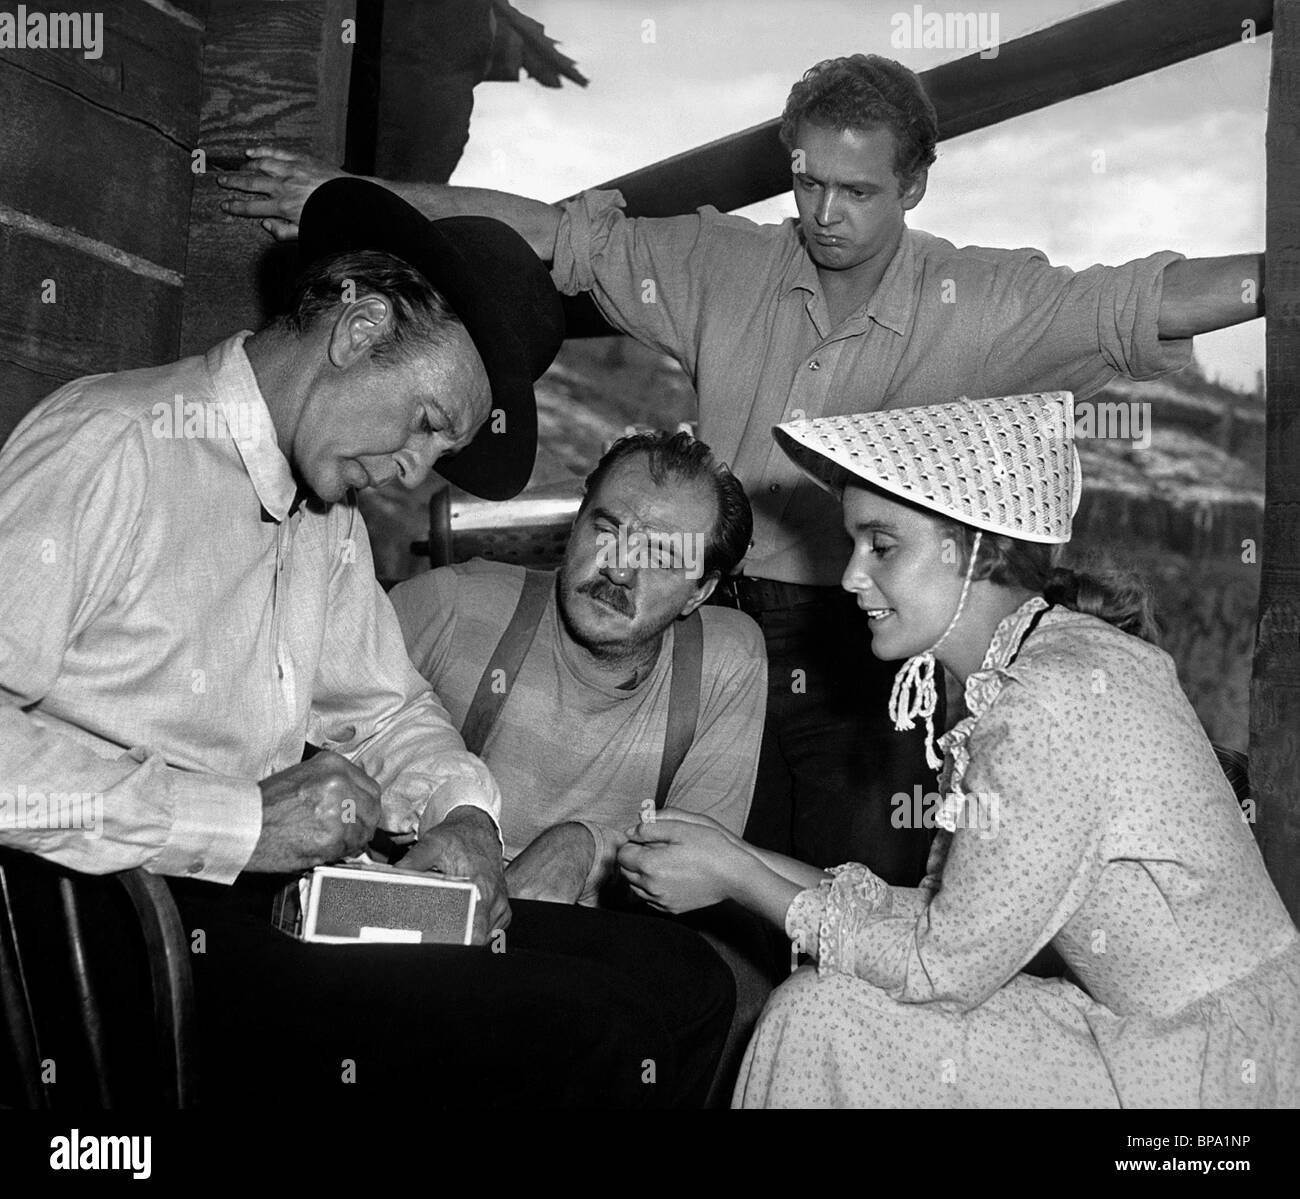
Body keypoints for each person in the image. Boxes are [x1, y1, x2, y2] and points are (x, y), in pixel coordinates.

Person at [215, 54, 1263, 891]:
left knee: (859, 883)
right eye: (807, 180)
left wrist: (1280, 274)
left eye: (858, 190)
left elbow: (1140, 300)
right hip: (711, 620)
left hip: (866, 643)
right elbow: (556, 234)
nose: (824, 212)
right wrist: (355, 199)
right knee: (688, 877)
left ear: (914, 185)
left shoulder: (980, 298)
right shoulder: (730, 263)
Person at [0, 177, 732, 1108]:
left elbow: (387, 710)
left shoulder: (327, 517)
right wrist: (241, 820)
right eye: (425, 424)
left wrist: (464, 815)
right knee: (594, 1029)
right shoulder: (111, 445)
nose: (413, 473)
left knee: (683, 980)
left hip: (279, 898)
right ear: (359, 328)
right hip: (122, 923)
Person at [614, 391, 1300, 1108]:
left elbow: (941, 966)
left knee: (822, 1015)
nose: (850, 575)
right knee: (821, 1013)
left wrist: (738, 878)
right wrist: (734, 854)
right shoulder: (1041, 666)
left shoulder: (1048, 703)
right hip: (1162, 1040)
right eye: (853, 544)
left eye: (882, 546)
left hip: (1219, 1074)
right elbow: (948, 917)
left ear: (974, 547)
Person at [388, 430, 765, 906]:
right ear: (575, 524)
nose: (619, 570)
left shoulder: (723, 662)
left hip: (602, 937)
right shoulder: (451, 607)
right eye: (607, 532)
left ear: (699, 592)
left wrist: (589, 849)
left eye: (662, 555)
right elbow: (325, 771)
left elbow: (699, 878)